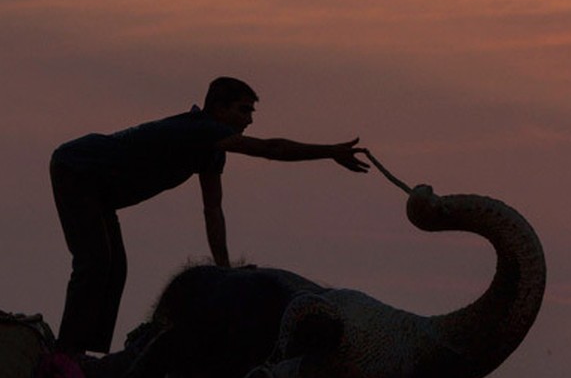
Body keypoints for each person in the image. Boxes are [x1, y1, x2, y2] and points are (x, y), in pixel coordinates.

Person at [49, 76, 370, 358]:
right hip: (78, 168)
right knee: (95, 263)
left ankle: (86, 354)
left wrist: (223, 269)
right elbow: (272, 148)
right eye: (243, 110)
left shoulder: (211, 151)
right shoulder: (201, 130)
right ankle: (66, 353)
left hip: (99, 189)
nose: (248, 121)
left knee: (115, 267)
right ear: (219, 108)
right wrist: (329, 151)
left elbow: (213, 210)